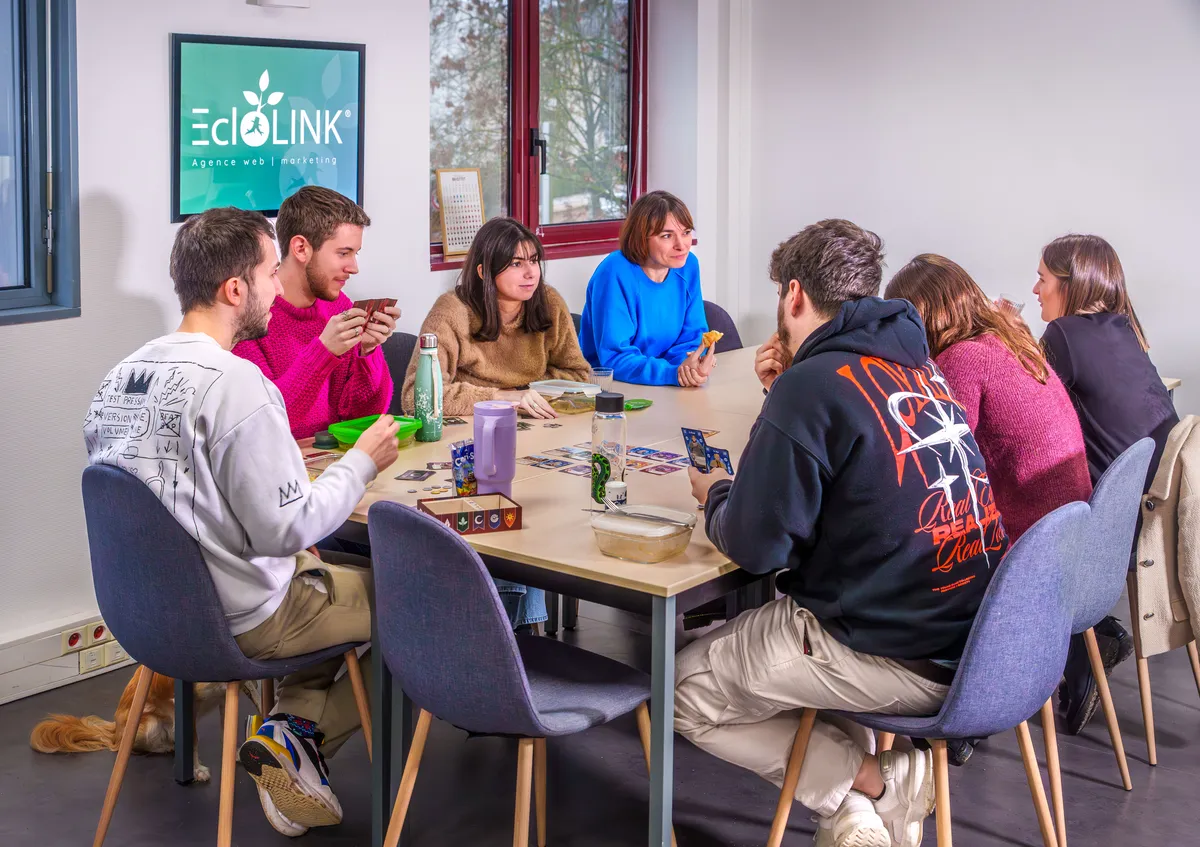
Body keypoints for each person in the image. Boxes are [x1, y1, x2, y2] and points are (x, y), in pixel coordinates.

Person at [676, 220, 1007, 847]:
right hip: (972, 636)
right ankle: (850, 820)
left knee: (684, 690)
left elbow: (756, 545)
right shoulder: (919, 370)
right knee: (800, 641)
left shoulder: (815, 384)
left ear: (794, 295)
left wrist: (715, 494)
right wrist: (783, 397)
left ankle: (873, 782)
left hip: (891, 647)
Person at [84, 207, 400, 836]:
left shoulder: (119, 379)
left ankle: (289, 731)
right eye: (267, 272)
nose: (276, 286)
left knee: (321, 573)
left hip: (150, 617)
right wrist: (361, 463)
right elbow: (286, 530)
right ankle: (293, 746)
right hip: (244, 619)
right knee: (424, 602)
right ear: (236, 289)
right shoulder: (238, 383)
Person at [402, 216, 590, 629]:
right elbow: (417, 397)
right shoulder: (452, 310)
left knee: (544, 505)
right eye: (517, 264)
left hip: (536, 440)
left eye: (535, 261)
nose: (530, 273)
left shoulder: (549, 303)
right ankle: (500, 632)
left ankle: (518, 632)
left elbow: (578, 376)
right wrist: (505, 398)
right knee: (501, 508)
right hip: (465, 446)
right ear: (486, 271)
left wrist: (535, 396)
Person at [1033, 233, 1179, 734]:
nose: (1036, 289)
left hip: (1117, 529)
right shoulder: (1126, 331)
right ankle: (1092, 639)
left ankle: (1086, 639)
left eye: (1044, 278)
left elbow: (1031, 407)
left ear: (1070, 285)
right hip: (1156, 511)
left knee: (1028, 522)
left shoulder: (1064, 336)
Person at [885, 254, 1093, 542]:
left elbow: (940, 465)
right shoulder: (1010, 340)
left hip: (1030, 545)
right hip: (1068, 531)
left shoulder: (963, 357)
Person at [234, 185, 398, 441]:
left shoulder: (339, 306)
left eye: (355, 254)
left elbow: (362, 417)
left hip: (333, 464)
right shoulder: (250, 317)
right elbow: (264, 424)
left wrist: (368, 352)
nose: (354, 268)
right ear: (301, 248)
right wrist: (324, 352)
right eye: (343, 253)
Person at [579, 190, 714, 387]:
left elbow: (693, 337)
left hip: (666, 385)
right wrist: (671, 373)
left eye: (685, 233)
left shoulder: (688, 265)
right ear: (642, 238)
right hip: (610, 386)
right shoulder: (613, 272)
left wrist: (687, 367)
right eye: (667, 236)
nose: (682, 245)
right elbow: (615, 357)